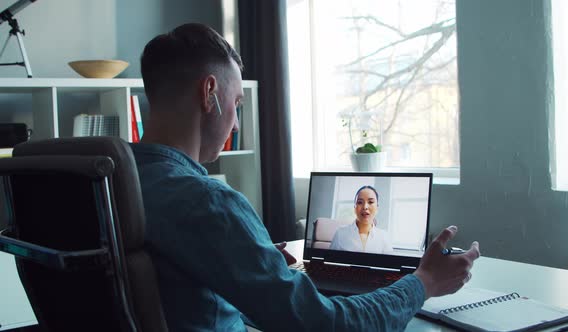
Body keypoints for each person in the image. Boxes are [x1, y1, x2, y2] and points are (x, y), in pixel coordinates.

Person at [132, 22, 481, 331]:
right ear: (209, 93)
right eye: (237, 104)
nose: (235, 124)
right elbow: (327, 323)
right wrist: (424, 282)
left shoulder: (115, 181)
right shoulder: (208, 203)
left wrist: (247, 256)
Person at [329, 185, 392, 254]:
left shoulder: (384, 237)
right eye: (360, 202)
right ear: (355, 208)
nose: (365, 207)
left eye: (370, 202)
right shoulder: (340, 234)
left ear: (377, 208)